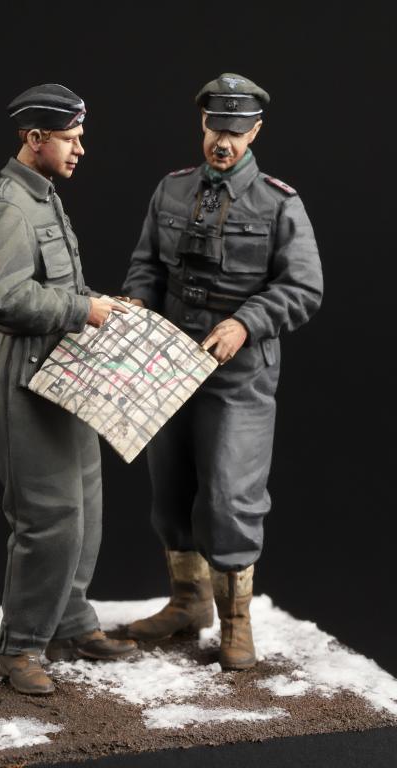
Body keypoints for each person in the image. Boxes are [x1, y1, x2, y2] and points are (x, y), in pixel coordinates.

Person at [121, 73, 323, 670]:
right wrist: (136, 305)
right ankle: (189, 603)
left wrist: (245, 322)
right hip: (167, 364)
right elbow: (146, 265)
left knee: (230, 496)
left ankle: (236, 621)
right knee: (170, 491)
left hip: (238, 377)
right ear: (202, 123)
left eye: (236, 132)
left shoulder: (279, 204)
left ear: (256, 131)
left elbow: (304, 287)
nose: (223, 143)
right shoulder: (172, 190)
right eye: (216, 129)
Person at [0, 83, 135, 695]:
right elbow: (0, 297)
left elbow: (58, 283)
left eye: (79, 137)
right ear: (34, 138)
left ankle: (69, 621)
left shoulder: (44, 196)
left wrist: (94, 302)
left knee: (85, 504)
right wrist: (82, 309)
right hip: (20, 374)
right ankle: (20, 648)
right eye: (69, 138)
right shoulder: (7, 207)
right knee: (47, 517)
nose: (80, 149)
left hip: (61, 369)